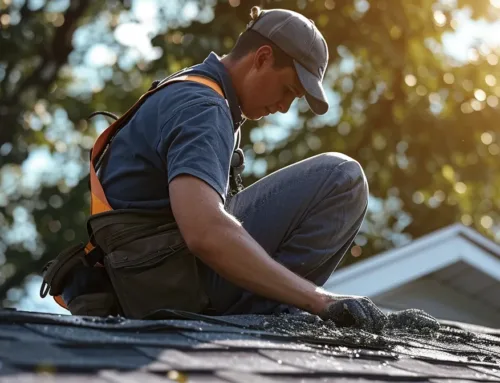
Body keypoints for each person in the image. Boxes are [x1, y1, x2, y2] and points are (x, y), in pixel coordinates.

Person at [42, 6, 386, 332]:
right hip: (174, 283)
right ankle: (265, 318)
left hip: (150, 278)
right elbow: (204, 231)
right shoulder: (203, 107)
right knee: (342, 178)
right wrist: (319, 301)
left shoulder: (189, 89)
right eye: (288, 90)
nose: (284, 107)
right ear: (262, 58)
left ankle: (271, 308)